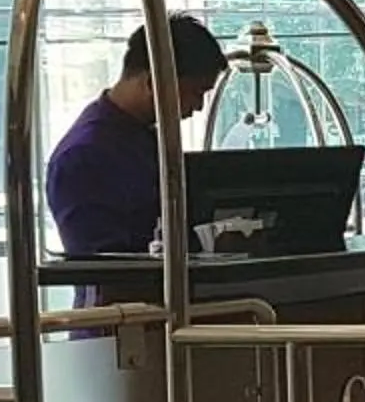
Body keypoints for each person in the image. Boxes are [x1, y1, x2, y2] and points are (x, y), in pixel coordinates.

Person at [47, 15, 230, 256]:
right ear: (154, 83)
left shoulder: (142, 137)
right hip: (130, 293)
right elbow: (106, 268)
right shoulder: (85, 156)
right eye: (195, 93)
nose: (198, 107)